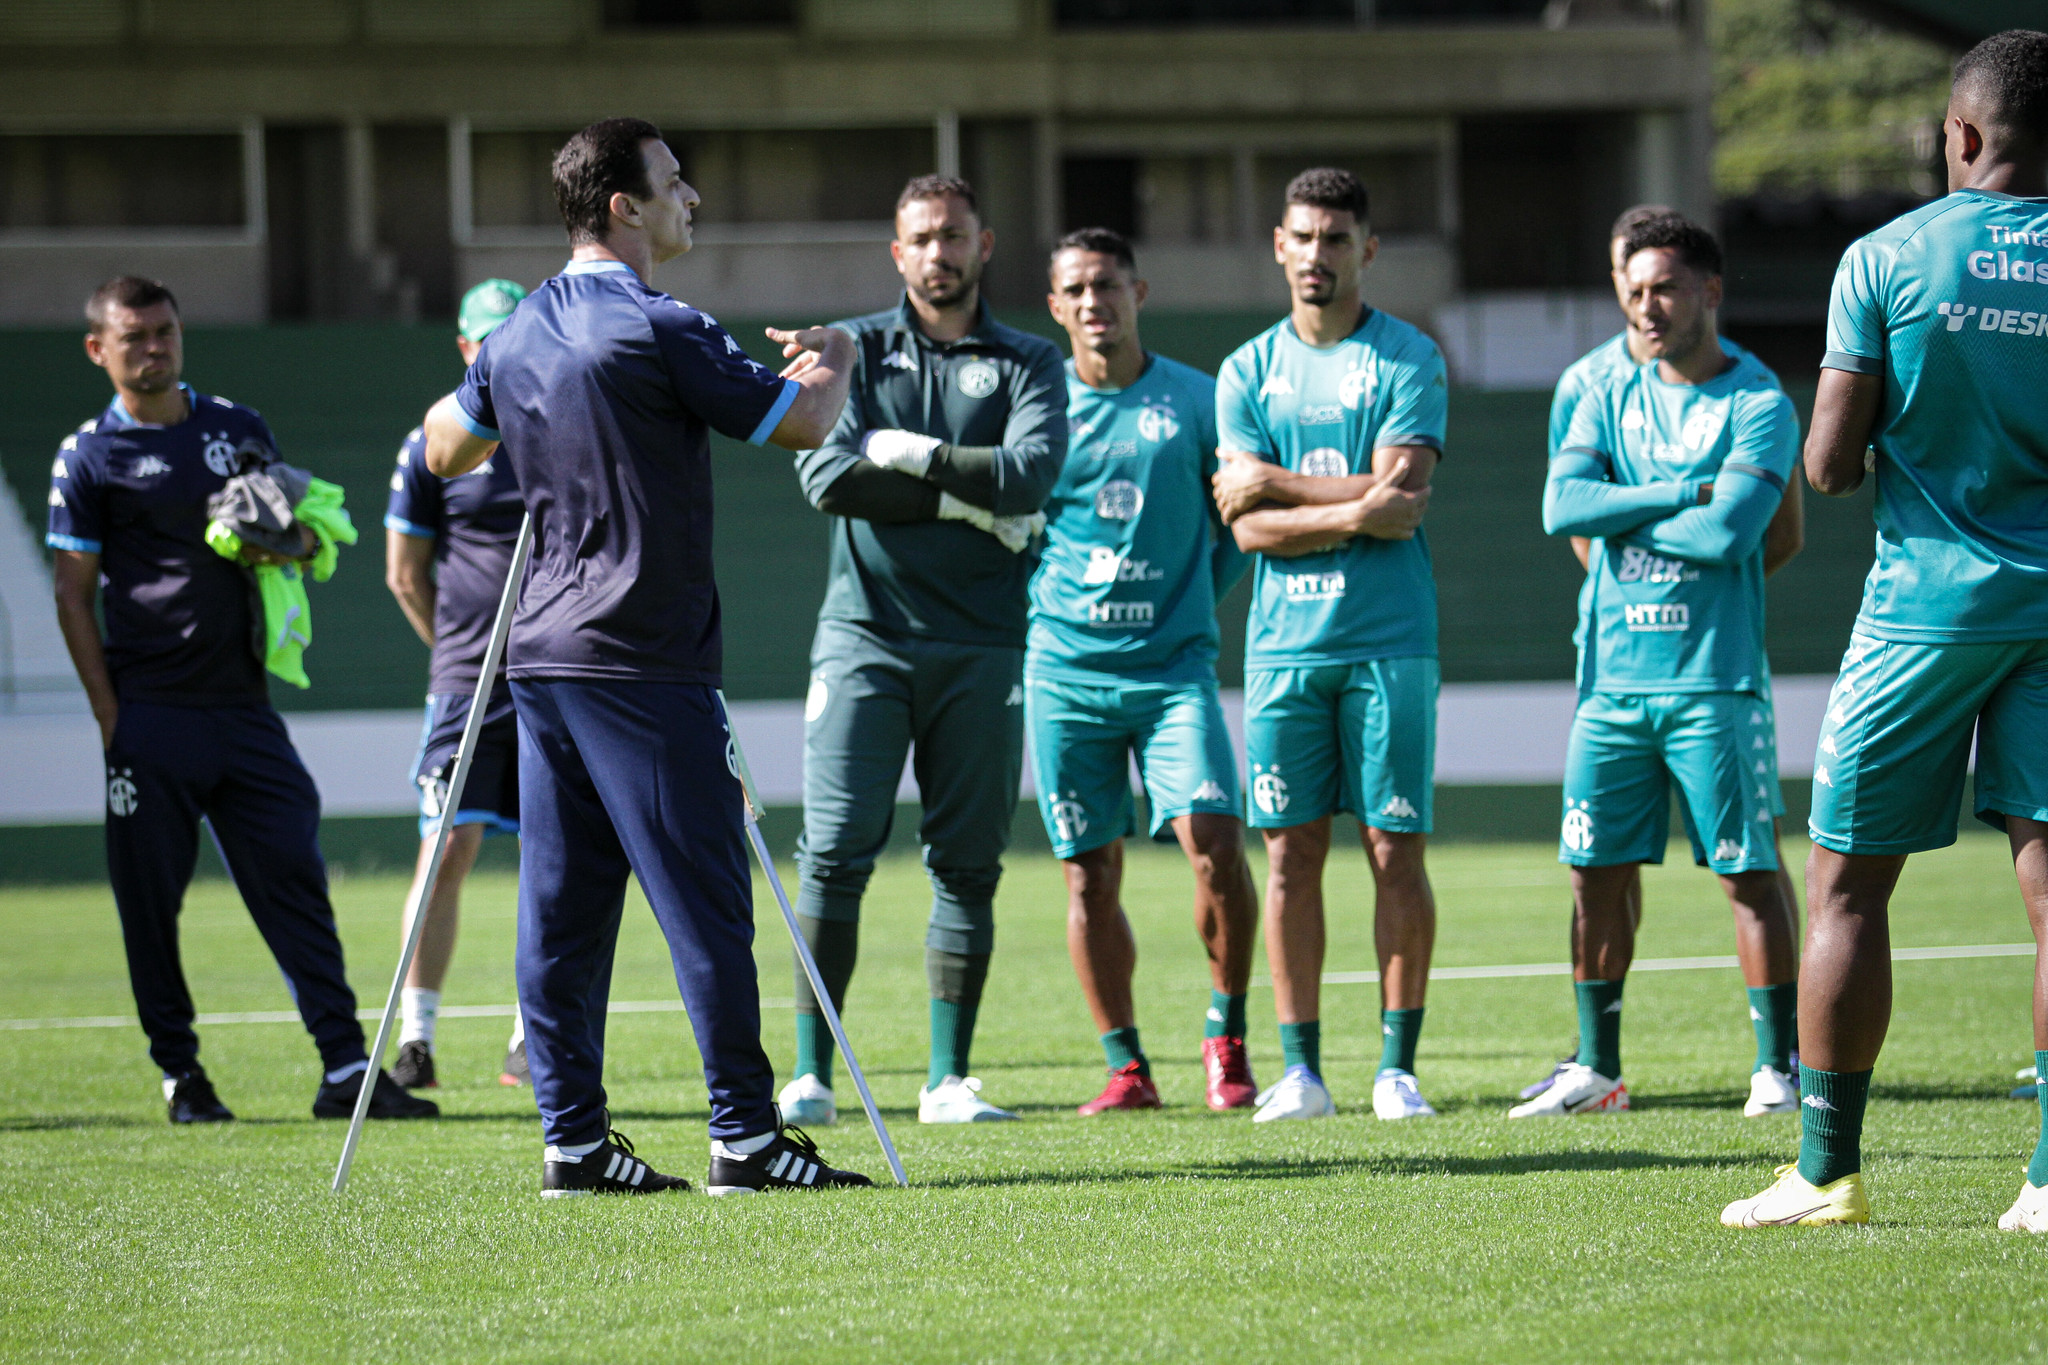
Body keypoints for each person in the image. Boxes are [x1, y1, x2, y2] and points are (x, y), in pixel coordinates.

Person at [422, 117, 869, 1195]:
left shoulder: (518, 330)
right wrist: (841, 359)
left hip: (539, 656)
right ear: (623, 206)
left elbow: (443, 448)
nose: (692, 199)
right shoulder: (660, 322)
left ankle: (572, 1144)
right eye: (674, 182)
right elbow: (804, 422)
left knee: (561, 907)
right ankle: (745, 1142)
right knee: (705, 901)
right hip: (642, 658)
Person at [1724, 31, 2048, 1230]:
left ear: (1957, 137)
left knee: (1847, 889)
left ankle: (1823, 1173)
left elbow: (1829, 465)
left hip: (1926, 609)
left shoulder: (1884, 258)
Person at [48, 274, 435, 1126]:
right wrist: (111, 718)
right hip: (149, 713)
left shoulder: (236, 428)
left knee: (296, 879)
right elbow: (71, 593)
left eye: (166, 331)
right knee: (150, 903)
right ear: (98, 349)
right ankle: (181, 1075)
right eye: (136, 335)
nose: (155, 346)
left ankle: (345, 1069)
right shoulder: (87, 457)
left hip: (246, 707)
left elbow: (303, 536)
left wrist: (285, 541)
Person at [778, 174, 1067, 1128]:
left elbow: (1028, 480)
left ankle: (948, 1078)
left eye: (954, 236)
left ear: (985, 244)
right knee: (832, 854)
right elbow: (827, 476)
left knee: (969, 864)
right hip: (864, 637)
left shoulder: (1029, 361)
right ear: (896, 253)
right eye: (920, 238)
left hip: (983, 645)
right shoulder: (850, 349)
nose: (938, 252)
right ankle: (812, 1076)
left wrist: (910, 455)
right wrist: (957, 497)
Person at [1520, 205, 1808, 1104]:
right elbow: (1562, 509)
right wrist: (1683, 486)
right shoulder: (1603, 389)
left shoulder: (1758, 400)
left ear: (1709, 292)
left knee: (1748, 871)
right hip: (1610, 682)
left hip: (1713, 680)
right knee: (1592, 873)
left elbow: (1734, 534)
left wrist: (1626, 505)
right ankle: (1598, 1067)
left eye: (1666, 290)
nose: (1646, 308)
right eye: (1633, 291)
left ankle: (1779, 1067)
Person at [1208, 167, 1447, 1123]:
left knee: (1395, 850)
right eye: (1302, 238)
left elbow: (1407, 499)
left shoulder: (1408, 357)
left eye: (1336, 239)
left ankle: (1397, 1068)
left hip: (1390, 643)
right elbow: (1246, 531)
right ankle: (1300, 1071)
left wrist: (1273, 479)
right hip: (1283, 653)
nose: (1318, 255)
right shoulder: (1245, 370)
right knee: (1289, 858)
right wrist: (1354, 502)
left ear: (1367, 250)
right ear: (1279, 245)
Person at [1030, 227, 1260, 1114]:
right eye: (1078, 290)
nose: (1096, 303)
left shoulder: (1198, 400)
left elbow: (1235, 519)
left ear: (1140, 292)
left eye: (1110, 286)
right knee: (1088, 873)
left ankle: (1225, 1034)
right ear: (1055, 306)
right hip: (1066, 673)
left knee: (1216, 844)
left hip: (1173, 671)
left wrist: (1196, 595)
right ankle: (1126, 1066)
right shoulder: (1038, 407)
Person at [383, 278, 531, 1090]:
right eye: (486, 340)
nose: (498, 352)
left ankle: (530, 1035)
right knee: (446, 850)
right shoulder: (431, 442)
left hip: (561, 675)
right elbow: (405, 576)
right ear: (465, 349)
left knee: (558, 857)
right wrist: (462, 657)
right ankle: (417, 1042)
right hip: (467, 685)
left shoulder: (563, 426)